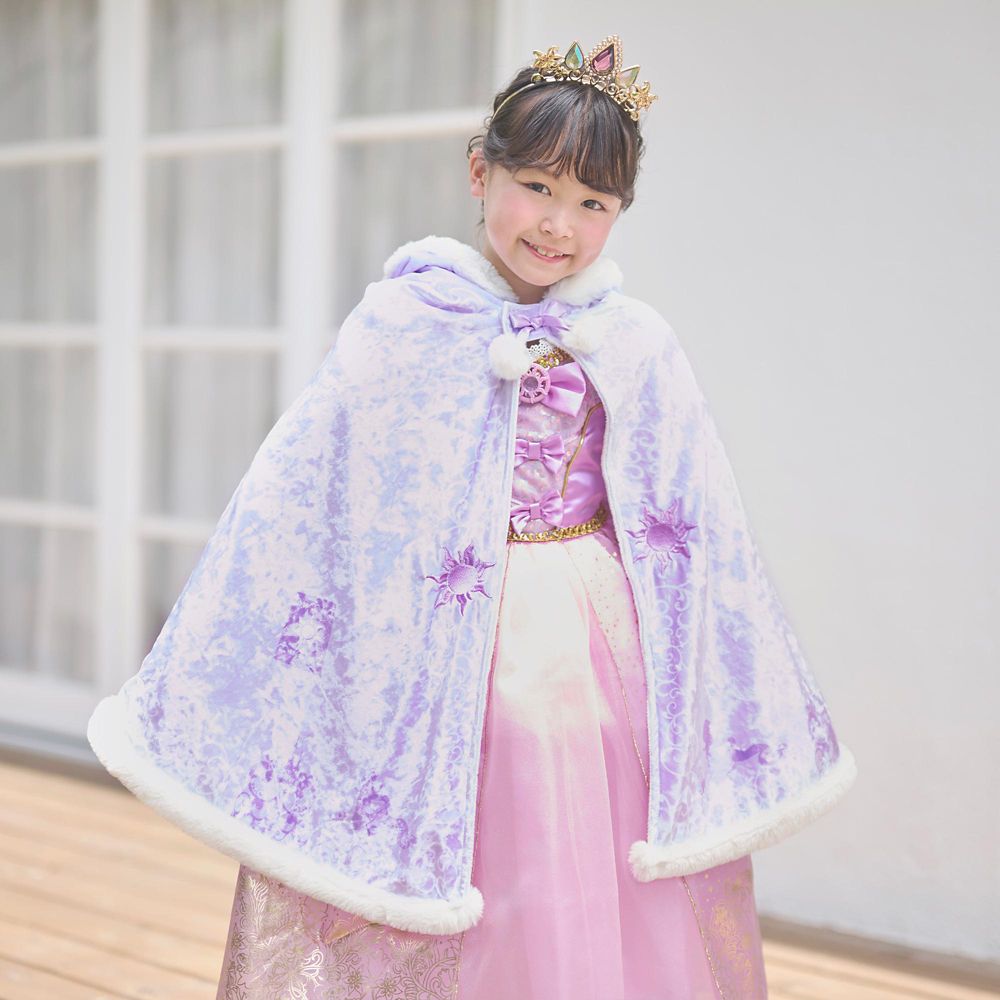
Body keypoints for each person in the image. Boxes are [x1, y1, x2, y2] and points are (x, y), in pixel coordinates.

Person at [87, 34, 856, 1000]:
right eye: (537, 186)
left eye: (594, 203)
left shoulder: (633, 341)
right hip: (438, 642)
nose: (559, 224)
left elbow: (695, 522)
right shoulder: (404, 324)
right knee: (465, 840)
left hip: (593, 643)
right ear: (479, 172)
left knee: (585, 845)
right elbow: (311, 500)